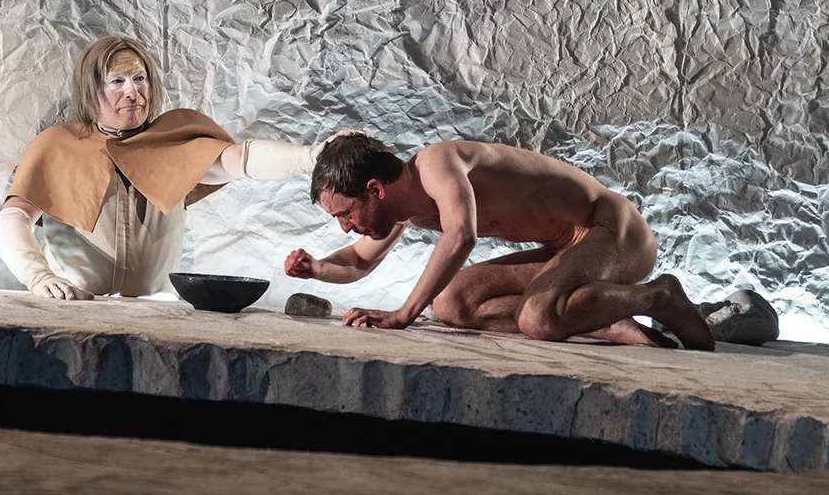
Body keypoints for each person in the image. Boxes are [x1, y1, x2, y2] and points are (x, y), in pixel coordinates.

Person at [0, 32, 326, 300]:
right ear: (92, 91)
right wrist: (39, 277)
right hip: (76, 307)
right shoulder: (58, 145)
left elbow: (241, 159)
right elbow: (11, 219)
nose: (133, 92)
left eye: (140, 79)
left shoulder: (174, 141)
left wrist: (312, 158)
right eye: (117, 81)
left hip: (156, 312)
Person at [285, 132, 714, 349]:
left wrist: (402, 315)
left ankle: (658, 296)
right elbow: (359, 261)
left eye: (345, 214)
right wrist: (316, 268)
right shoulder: (404, 208)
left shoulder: (435, 163)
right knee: (450, 304)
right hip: (569, 250)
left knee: (536, 319)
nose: (345, 227)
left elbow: (461, 235)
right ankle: (601, 319)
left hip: (612, 230)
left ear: (376, 189)